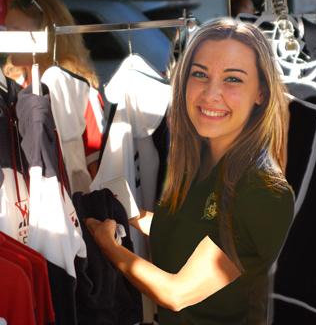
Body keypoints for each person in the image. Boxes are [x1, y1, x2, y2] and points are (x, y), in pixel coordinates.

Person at [86, 17, 294, 324]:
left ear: (261, 93)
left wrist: (107, 245)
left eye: (233, 79)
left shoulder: (262, 190)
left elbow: (176, 293)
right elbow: (188, 229)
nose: (211, 93)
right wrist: (132, 214)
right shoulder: (204, 164)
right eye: (200, 74)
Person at [3, 0, 98, 88]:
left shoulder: (75, 88)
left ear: (47, 36)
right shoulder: (10, 83)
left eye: (17, 30)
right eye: (7, 29)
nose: (7, 37)